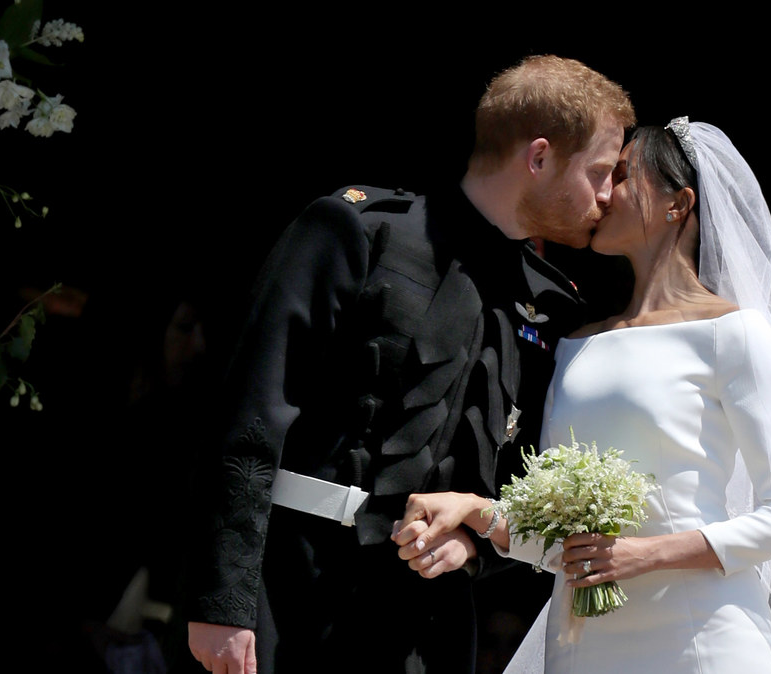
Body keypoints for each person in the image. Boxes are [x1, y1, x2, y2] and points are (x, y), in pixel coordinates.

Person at [392, 118, 771, 673]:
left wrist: (644, 554)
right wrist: (475, 512)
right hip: (582, 644)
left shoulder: (733, 334)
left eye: (621, 175)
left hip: (704, 638)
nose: (602, 193)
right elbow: (562, 545)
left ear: (677, 205)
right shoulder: (575, 344)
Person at [181, 55, 635, 674]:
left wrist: (474, 545)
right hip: (290, 591)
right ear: (539, 157)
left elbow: (528, 478)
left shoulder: (554, 305)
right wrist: (223, 602)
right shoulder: (358, 230)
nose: (609, 196)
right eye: (602, 172)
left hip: (428, 629)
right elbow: (250, 415)